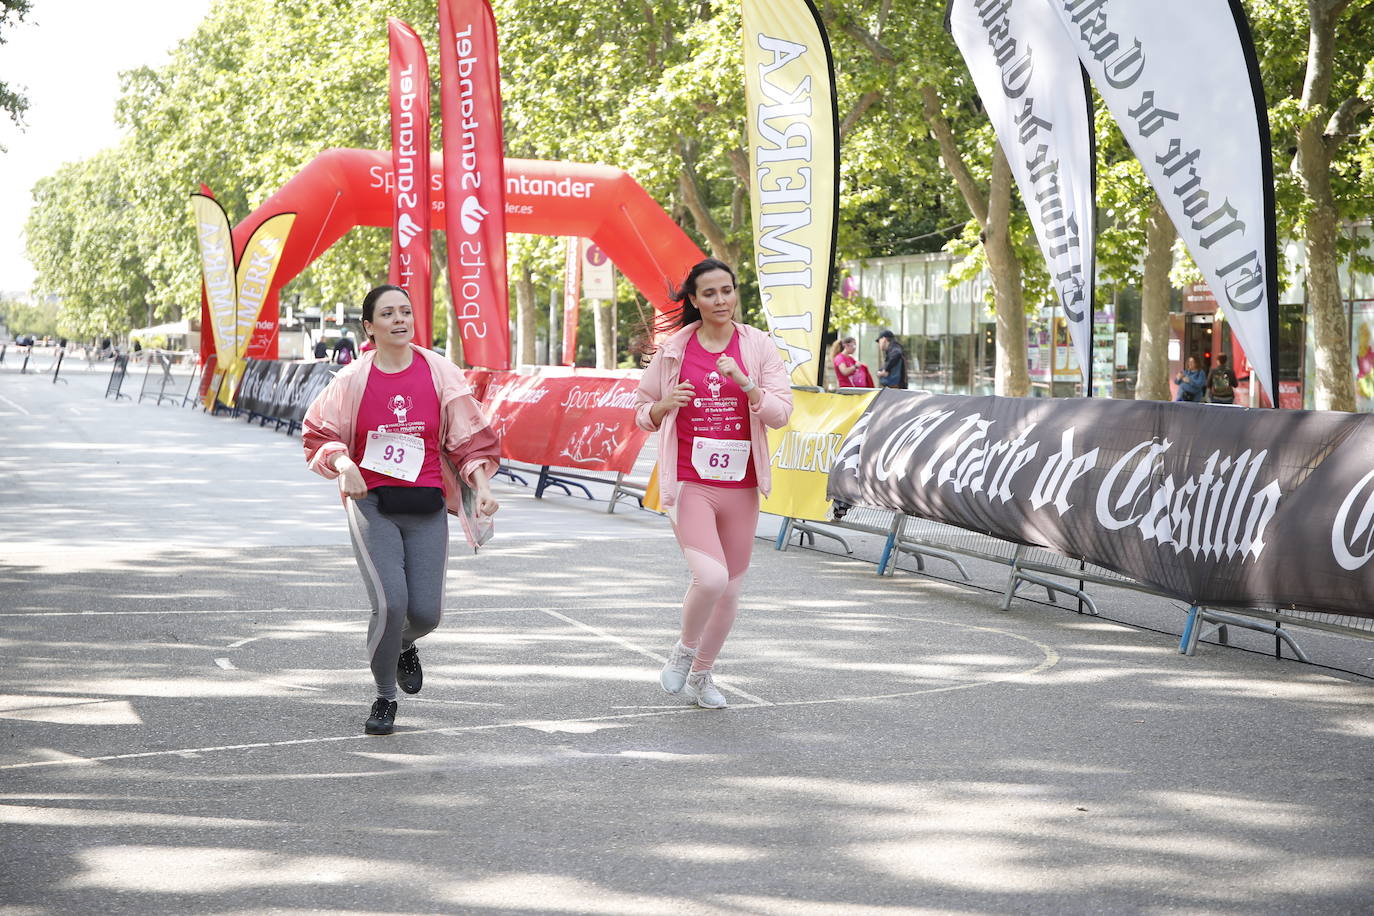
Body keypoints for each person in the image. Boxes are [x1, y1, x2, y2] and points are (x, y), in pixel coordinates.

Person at [303, 284, 501, 736]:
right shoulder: (352, 379)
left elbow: (468, 438)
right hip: (372, 504)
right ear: (369, 327)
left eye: (406, 312)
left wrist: (483, 488)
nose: (400, 320)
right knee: (391, 604)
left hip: (427, 505)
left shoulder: (440, 373)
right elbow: (317, 433)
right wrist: (344, 463)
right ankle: (384, 697)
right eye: (388, 314)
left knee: (426, 614)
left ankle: (405, 645)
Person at [635, 258, 793, 709]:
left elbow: (782, 414)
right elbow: (642, 412)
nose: (721, 300)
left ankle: (702, 676)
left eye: (728, 290)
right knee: (710, 577)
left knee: (731, 590)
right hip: (690, 483)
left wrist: (748, 387)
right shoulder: (674, 351)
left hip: (741, 486)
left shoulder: (758, 346)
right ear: (694, 300)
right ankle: (685, 652)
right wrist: (665, 405)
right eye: (710, 293)